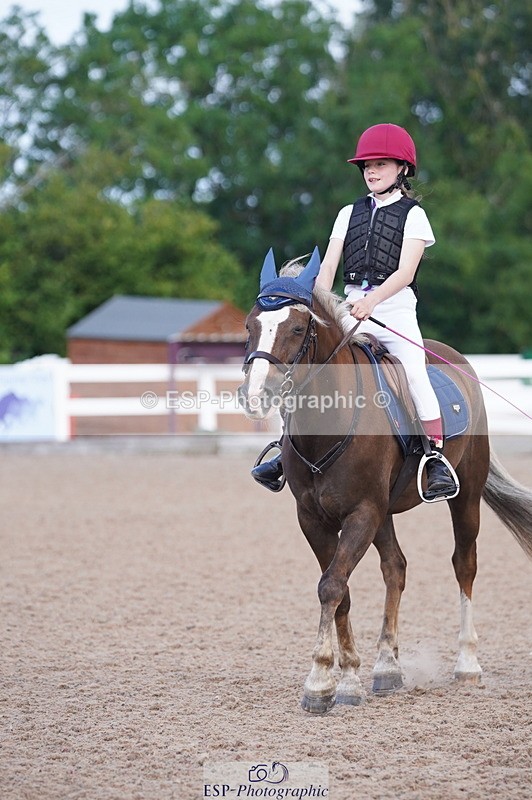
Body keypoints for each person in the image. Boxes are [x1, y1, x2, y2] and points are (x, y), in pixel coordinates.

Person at [252, 122, 458, 501]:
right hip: (347, 305)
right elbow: (329, 264)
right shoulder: (349, 212)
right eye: (366, 166)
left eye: (380, 164)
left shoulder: (414, 215)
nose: (372, 171)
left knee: (414, 373)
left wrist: (373, 301)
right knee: (308, 365)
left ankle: (434, 457)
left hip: (393, 309)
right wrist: (315, 297)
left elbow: (406, 272)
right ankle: (285, 448)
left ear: (403, 169)